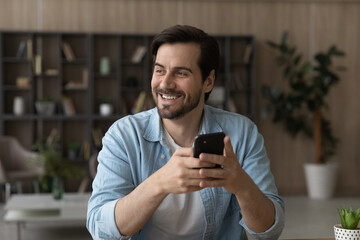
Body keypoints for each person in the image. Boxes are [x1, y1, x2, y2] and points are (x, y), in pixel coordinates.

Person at [87, 25, 285, 240]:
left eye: (181, 73)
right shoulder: (123, 135)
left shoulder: (242, 133)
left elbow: (269, 232)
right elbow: (101, 230)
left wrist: (242, 185)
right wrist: (159, 183)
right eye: (159, 70)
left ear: (208, 81)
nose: (165, 83)